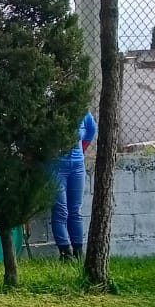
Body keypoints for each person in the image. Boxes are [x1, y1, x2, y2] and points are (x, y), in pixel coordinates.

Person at [51, 110, 98, 258]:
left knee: (75, 210)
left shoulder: (82, 110)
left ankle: (78, 252)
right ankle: (65, 253)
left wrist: (81, 150)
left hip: (77, 166)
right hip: (55, 166)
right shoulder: (49, 107)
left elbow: (91, 129)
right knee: (60, 210)